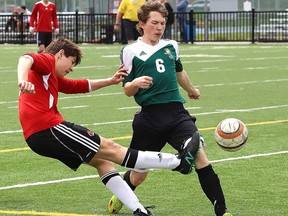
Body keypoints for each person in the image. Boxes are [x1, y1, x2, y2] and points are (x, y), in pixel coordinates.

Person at [17, 36, 197, 216]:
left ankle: (139, 210)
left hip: (37, 136)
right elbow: (26, 58)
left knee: (103, 162)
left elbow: (77, 86)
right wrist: (23, 79)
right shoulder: (48, 60)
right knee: (113, 149)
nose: (71, 68)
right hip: (48, 128)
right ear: (60, 54)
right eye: (71, 62)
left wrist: (110, 81)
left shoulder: (49, 75)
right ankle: (178, 162)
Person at [108, 2, 233, 216]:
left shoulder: (172, 46)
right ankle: (120, 196)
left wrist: (191, 89)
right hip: (149, 119)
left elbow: (179, 72)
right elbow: (126, 89)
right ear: (142, 24)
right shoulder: (130, 51)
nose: (159, 27)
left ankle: (222, 211)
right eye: (154, 23)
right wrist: (135, 83)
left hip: (177, 114)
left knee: (200, 156)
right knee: (139, 175)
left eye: (163, 23)